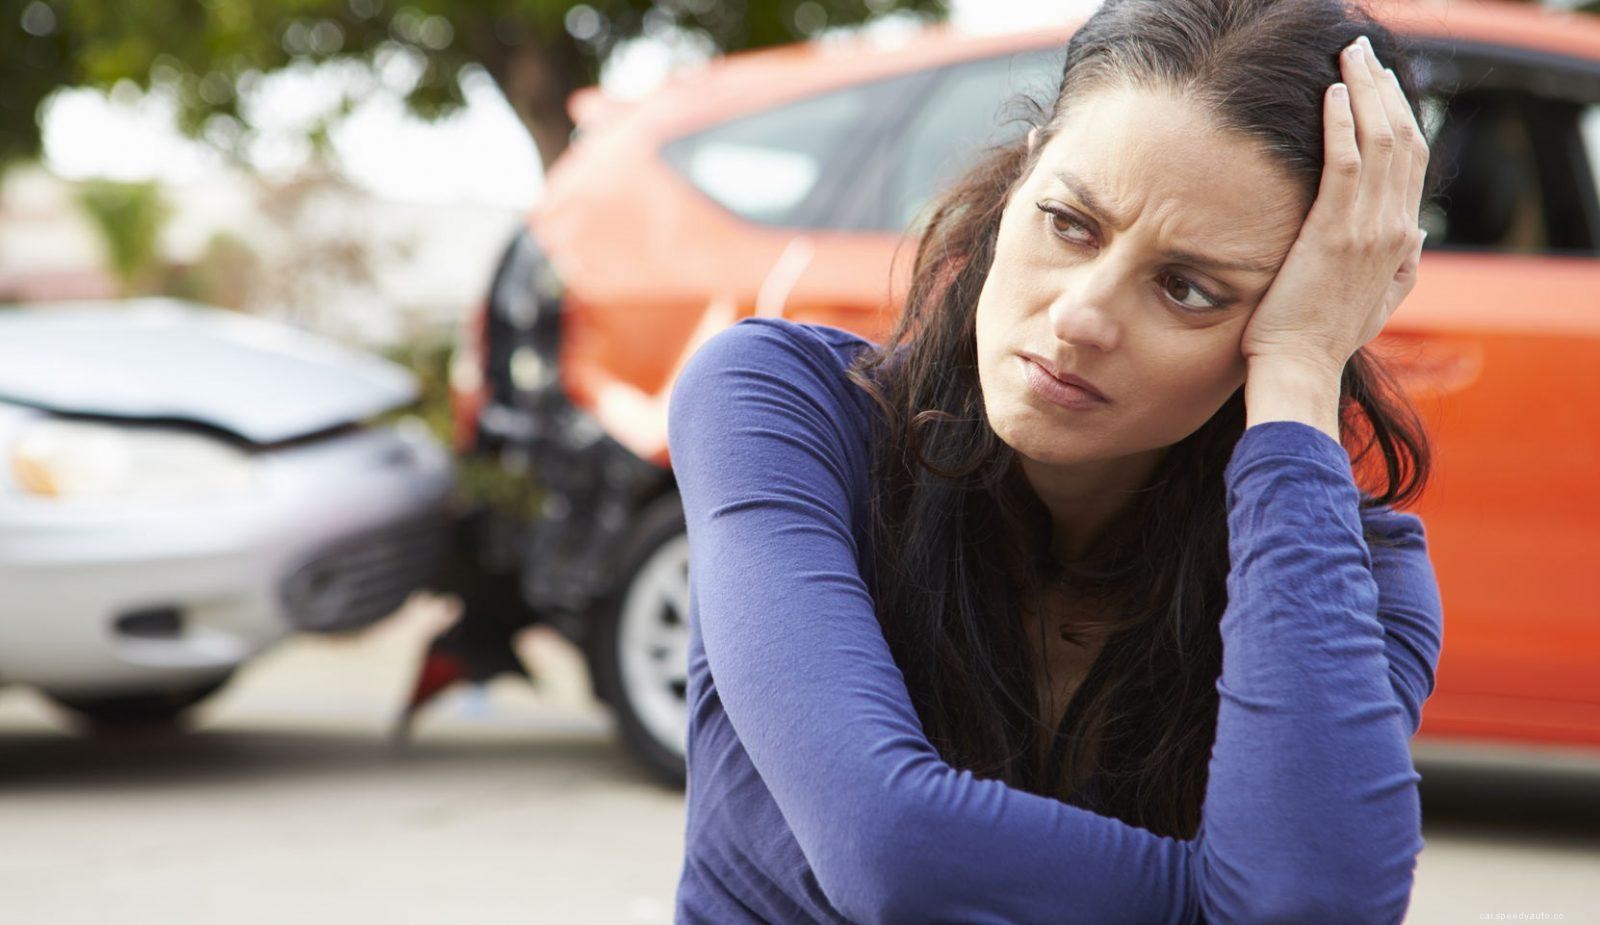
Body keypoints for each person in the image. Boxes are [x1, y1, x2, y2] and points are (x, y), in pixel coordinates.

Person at [667, 0, 1445, 921]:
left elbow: (1309, 899)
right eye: (1071, 223)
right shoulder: (784, 409)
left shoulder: (1358, 579)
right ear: (1020, 177)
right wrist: (1219, 901)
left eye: (1188, 288)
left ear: (1298, 311)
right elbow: (892, 846)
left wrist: (1302, 368)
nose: (1081, 314)